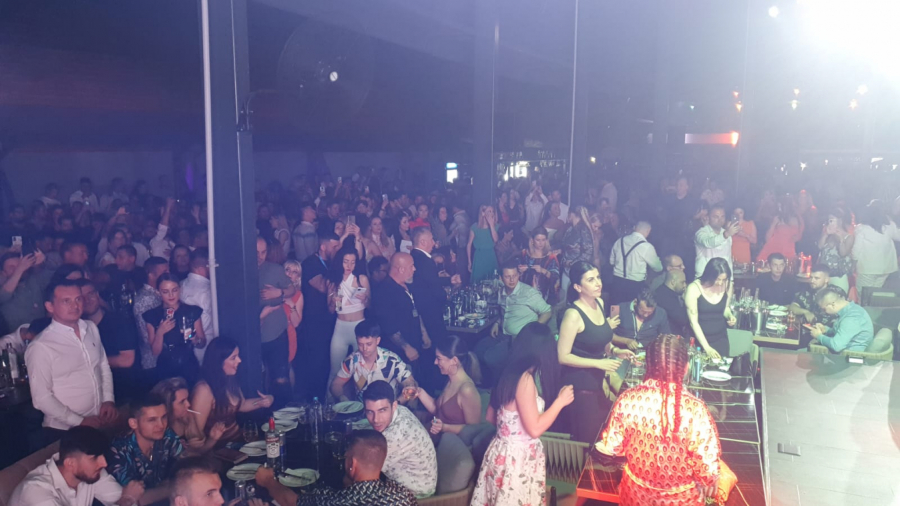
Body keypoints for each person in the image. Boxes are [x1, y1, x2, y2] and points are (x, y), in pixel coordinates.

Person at [594, 334, 721, 506]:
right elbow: (708, 471)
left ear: (649, 366)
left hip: (635, 496)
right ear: (685, 367)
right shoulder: (694, 409)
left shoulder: (628, 399)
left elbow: (612, 446)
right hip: (681, 501)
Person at [471, 350, 575, 505]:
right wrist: (560, 401)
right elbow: (535, 429)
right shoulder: (524, 379)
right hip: (517, 458)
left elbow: (490, 417)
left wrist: (510, 433)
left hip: (500, 450)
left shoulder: (506, 374)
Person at [26, 280, 118, 441]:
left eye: (78, 299)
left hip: (98, 421)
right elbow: (41, 398)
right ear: (50, 306)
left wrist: (108, 399)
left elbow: (103, 366)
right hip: (63, 431)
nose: (74, 306)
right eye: (66, 301)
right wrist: (79, 421)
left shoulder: (90, 328)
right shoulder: (41, 346)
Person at [557, 261, 628, 443]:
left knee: (604, 431)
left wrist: (615, 350)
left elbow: (600, 341)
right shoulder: (573, 314)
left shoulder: (600, 303)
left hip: (598, 378)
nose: (598, 283)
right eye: (591, 280)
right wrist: (598, 363)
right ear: (578, 287)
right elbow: (562, 356)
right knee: (589, 437)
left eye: (598, 277)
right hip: (579, 384)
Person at [255, 430, 416, 506]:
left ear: (352, 464)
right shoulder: (404, 495)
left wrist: (268, 480)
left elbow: (291, 501)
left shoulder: (340, 501)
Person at [10, 426, 144, 506]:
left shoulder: (91, 473)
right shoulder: (35, 491)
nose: (104, 463)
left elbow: (124, 498)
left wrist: (127, 500)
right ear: (70, 464)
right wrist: (126, 500)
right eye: (94, 458)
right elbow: (127, 499)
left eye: (102, 455)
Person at [478, 263, 552, 383]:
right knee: (478, 350)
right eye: (507, 277)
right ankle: (487, 383)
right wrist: (497, 323)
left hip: (519, 339)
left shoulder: (528, 293)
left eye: (514, 276)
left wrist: (532, 332)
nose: (512, 280)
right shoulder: (501, 292)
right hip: (503, 334)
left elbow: (547, 312)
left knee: (491, 358)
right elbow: (503, 311)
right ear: (501, 278)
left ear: (519, 275)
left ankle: (502, 386)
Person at [362, 380, 437, 498]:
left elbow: (365, 472)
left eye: (382, 410)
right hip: (396, 482)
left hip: (415, 495)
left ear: (394, 406)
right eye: (370, 412)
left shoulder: (394, 436)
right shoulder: (400, 410)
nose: (376, 419)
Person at [190, 338, 273, 443]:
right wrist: (209, 444)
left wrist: (265, 401)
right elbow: (195, 434)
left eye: (238, 356)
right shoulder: (204, 390)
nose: (239, 360)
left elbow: (241, 405)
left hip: (237, 439)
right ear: (219, 361)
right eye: (233, 358)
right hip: (219, 447)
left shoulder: (229, 379)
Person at [107, 394, 184, 504]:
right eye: (152, 420)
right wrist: (172, 486)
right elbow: (136, 499)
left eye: (163, 417)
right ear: (134, 423)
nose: (161, 425)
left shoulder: (167, 436)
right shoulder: (119, 450)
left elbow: (187, 464)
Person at [372, 253, 431, 382]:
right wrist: (406, 347)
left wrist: (424, 333)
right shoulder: (384, 291)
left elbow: (415, 310)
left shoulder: (408, 284)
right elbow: (388, 326)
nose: (414, 269)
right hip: (398, 351)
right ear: (401, 269)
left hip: (415, 341)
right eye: (411, 266)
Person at [81, 279, 139, 402]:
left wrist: (89, 362)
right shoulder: (78, 327)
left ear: (97, 295)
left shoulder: (119, 322)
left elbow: (127, 360)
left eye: (90, 294)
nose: (87, 300)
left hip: (124, 393)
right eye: (81, 297)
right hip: (93, 395)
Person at [298, 233, 341, 400]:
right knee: (317, 364)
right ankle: (314, 401)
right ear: (323, 247)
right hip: (314, 324)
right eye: (334, 247)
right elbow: (324, 287)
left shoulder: (331, 264)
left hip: (331, 321)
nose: (337, 250)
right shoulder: (310, 263)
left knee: (329, 363)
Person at [143, 273, 206, 385]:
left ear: (180, 289)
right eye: (165, 292)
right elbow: (155, 351)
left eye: (174, 290)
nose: (171, 295)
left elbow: (202, 343)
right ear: (158, 292)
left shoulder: (192, 311)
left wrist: (195, 339)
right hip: (166, 366)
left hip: (189, 364)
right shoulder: (152, 315)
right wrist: (160, 332)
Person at [330, 320, 416, 401]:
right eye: (360, 344)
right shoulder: (352, 360)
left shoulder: (392, 360)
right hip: (362, 409)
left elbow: (411, 384)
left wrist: (397, 403)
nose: (364, 348)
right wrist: (343, 399)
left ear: (378, 340)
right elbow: (336, 384)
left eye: (369, 344)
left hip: (389, 408)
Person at [416, 335, 482, 437]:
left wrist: (444, 427)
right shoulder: (450, 380)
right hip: (439, 436)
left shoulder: (467, 390)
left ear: (454, 360)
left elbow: (474, 429)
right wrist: (419, 392)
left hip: (451, 442)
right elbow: (438, 411)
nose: (435, 362)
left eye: (439, 358)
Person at [255, 237, 295, 406]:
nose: (260, 256)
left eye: (263, 252)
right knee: (257, 379)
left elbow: (292, 289)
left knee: (280, 378)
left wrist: (280, 292)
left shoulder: (275, 269)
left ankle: (285, 412)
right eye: (256, 252)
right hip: (252, 336)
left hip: (276, 333)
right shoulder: (240, 271)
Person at [327, 250, 370, 391]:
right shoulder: (333, 281)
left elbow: (370, 304)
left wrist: (365, 299)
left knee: (362, 369)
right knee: (335, 370)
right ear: (340, 262)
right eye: (346, 261)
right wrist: (333, 302)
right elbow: (330, 310)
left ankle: (363, 400)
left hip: (359, 327)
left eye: (353, 262)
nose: (349, 266)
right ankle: (330, 402)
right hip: (340, 327)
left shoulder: (361, 279)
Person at [150, 377, 228, 455]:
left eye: (187, 399)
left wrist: (212, 439)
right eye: (182, 402)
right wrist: (189, 451)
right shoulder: (159, 430)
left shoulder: (188, 419)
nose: (188, 404)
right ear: (168, 405)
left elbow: (199, 453)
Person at [410, 227, 460, 344]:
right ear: (423, 242)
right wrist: (447, 297)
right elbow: (434, 288)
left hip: (421, 307)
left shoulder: (414, 256)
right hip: (431, 308)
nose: (434, 243)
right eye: (431, 239)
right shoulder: (426, 261)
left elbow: (428, 280)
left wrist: (449, 280)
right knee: (439, 340)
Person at [685, 257, 736, 361]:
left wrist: (730, 316)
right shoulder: (694, 288)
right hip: (699, 341)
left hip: (720, 339)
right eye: (718, 279)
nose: (721, 283)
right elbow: (693, 322)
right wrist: (707, 348)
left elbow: (725, 308)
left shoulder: (728, 285)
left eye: (724, 279)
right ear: (710, 275)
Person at [608, 221, 662, 305]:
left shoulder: (619, 241)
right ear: (648, 231)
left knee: (616, 308)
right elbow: (658, 268)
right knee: (632, 309)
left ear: (634, 228)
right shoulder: (647, 247)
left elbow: (611, 262)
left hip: (617, 282)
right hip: (635, 285)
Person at [809, 286, 874, 353]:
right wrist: (826, 330)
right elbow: (843, 331)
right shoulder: (851, 309)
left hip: (850, 356)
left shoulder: (851, 318)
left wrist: (819, 336)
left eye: (824, 309)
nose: (823, 312)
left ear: (832, 305)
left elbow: (837, 346)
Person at [0, 249, 52, 334]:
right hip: (17, 338)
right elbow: (2, 296)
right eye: (11, 267)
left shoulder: (33, 279)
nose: (17, 269)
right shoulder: (4, 287)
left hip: (44, 333)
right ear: (3, 273)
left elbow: (53, 278)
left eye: (19, 265)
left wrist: (42, 264)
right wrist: (19, 270)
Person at [180, 248, 215, 364]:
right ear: (202, 268)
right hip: (204, 345)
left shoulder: (180, 285)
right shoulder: (207, 290)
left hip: (184, 344)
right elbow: (204, 323)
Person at [134, 256, 169, 371]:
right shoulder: (145, 299)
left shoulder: (159, 294)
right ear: (151, 275)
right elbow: (146, 337)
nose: (168, 274)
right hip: (154, 362)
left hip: (165, 359)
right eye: (164, 272)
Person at [852, 204, 898, 289]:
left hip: (867, 269)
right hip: (885, 268)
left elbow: (856, 250)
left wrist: (853, 262)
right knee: (876, 293)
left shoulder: (862, 228)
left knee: (864, 294)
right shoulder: (889, 227)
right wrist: (891, 220)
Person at [694, 205, 739, 278]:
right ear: (708, 217)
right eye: (716, 217)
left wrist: (730, 280)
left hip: (723, 279)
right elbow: (708, 243)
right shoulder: (701, 233)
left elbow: (728, 259)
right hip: (705, 278)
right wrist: (726, 234)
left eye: (722, 216)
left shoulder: (727, 233)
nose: (720, 220)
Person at [518, 227, 560, 303]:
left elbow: (556, 278)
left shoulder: (551, 257)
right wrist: (520, 271)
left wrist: (543, 270)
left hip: (544, 296)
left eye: (543, 240)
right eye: (538, 240)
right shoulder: (524, 254)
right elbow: (515, 273)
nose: (541, 243)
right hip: (525, 294)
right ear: (532, 240)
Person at [817, 208, 854, 292]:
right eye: (829, 220)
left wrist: (841, 240)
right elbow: (820, 246)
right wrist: (826, 234)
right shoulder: (826, 233)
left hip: (838, 276)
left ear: (840, 221)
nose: (830, 222)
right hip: (824, 274)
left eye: (832, 220)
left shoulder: (849, 237)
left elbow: (843, 253)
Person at [757, 196, 803, 262]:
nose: (779, 208)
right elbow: (767, 238)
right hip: (773, 250)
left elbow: (797, 236)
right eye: (778, 206)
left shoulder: (795, 219)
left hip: (788, 251)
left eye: (781, 206)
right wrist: (773, 224)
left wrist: (797, 236)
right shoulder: (776, 218)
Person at [560, 206, 595, 295]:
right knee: (563, 295)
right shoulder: (571, 229)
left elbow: (588, 251)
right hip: (567, 269)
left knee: (574, 297)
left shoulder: (583, 229)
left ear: (572, 214)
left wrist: (572, 263)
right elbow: (569, 247)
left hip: (577, 271)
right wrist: (560, 251)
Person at [467, 204, 499, 283]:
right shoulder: (475, 227)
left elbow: (496, 240)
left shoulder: (495, 226)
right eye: (489, 211)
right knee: (478, 281)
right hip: (479, 257)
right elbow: (469, 245)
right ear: (483, 213)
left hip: (491, 256)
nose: (491, 213)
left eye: (492, 211)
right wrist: (469, 261)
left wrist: (491, 225)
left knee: (492, 281)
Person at [282, 259, 303, 368]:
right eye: (287, 270)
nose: (290, 274)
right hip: (272, 334)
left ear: (297, 277)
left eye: (294, 272)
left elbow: (296, 323)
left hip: (288, 335)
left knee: (286, 367)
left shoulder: (298, 295)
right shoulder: (274, 291)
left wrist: (291, 305)